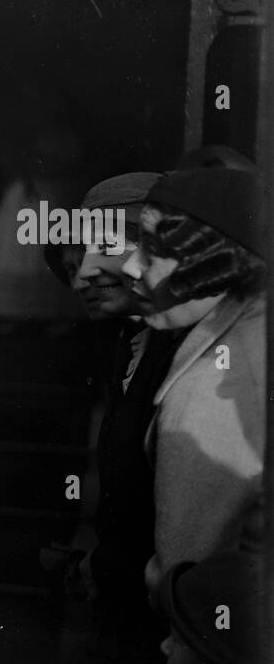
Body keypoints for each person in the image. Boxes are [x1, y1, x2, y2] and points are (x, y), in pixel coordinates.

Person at [43, 172, 188, 664]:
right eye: (77, 253)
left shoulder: (187, 360)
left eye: (106, 247)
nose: (81, 273)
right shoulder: (129, 348)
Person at [121, 169, 266, 587]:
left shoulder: (209, 391)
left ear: (209, 259)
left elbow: (188, 582)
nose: (131, 267)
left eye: (151, 251)